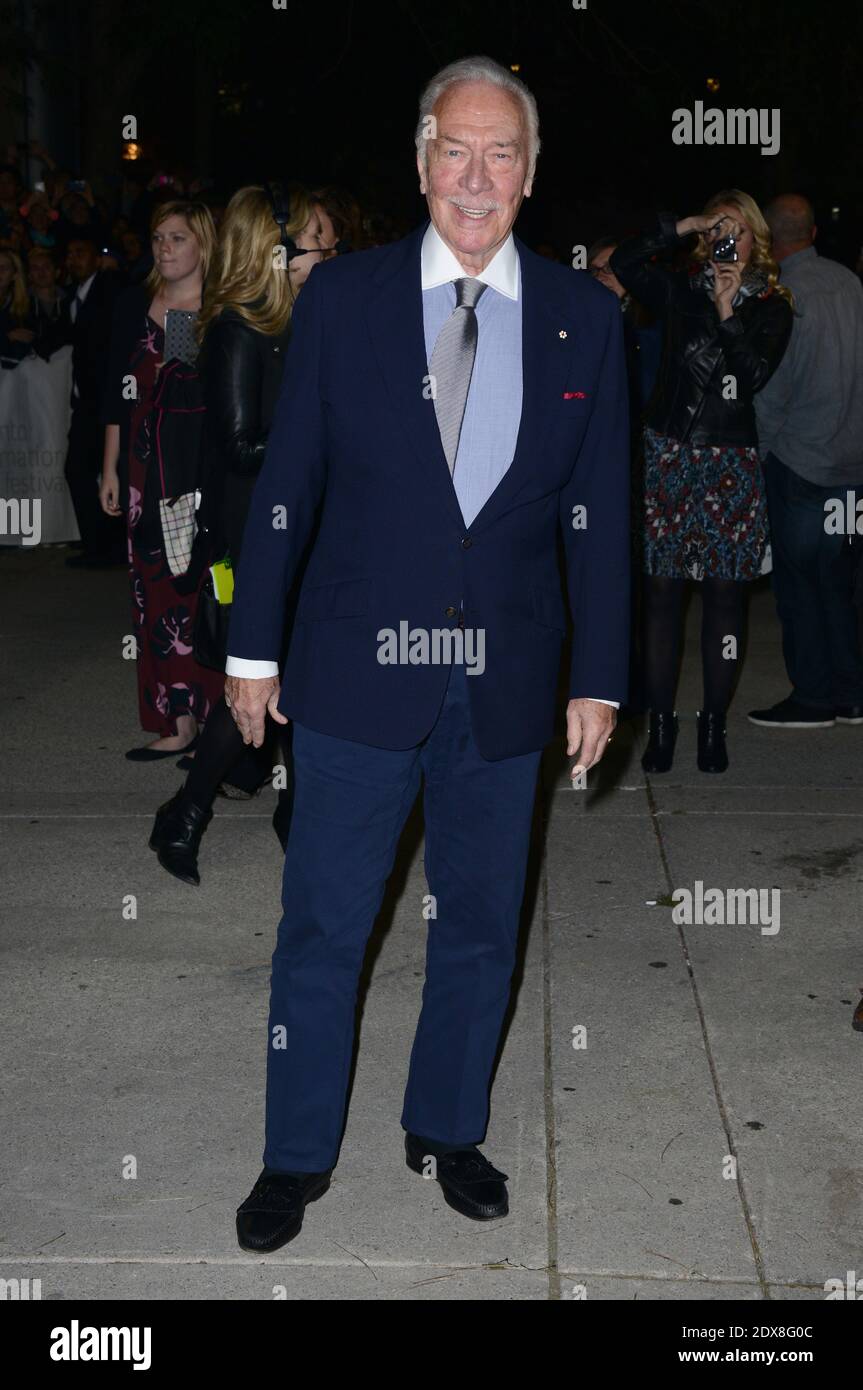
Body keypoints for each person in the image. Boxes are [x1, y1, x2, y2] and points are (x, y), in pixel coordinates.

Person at [225, 54, 630, 1252]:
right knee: (322, 925)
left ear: (529, 172)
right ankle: (294, 1154)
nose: (474, 174)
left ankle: (446, 1126)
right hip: (354, 672)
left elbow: (600, 513)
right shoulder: (342, 300)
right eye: (453, 148)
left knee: (480, 924)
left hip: (505, 683)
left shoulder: (585, 316)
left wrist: (597, 674)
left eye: (498, 152)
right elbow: (285, 483)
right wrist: (252, 649)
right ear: (418, 162)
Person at [148, 183, 327, 884]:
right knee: (254, 678)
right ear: (276, 251)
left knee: (300, 674)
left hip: (302, 526)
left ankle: (290, 812)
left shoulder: (299, 322)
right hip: (246, 533)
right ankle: (187, 809)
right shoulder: (225, 329)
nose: (329, 255)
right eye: (318, 243)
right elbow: (231, 442)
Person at [610, 191, 793, 773]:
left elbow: (752, 375)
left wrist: (727, 308)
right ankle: (660, 725)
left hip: (728, 463)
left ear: (756, 240)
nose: (726, 240)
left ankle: (711, 725)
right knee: (660, 601)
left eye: (737, 230)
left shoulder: (772, 304)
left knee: (724, 604)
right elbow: (625, 264)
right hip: (667, 454)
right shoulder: (679, 289)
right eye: (717, 229)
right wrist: (679, 223)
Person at [100, 201, 224, 759]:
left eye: (177, 238)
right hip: (142, 474)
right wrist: (110, 466)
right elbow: (113, 391)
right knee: (152, 590)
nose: (164, 248)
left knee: (202, 588)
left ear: (202, 242)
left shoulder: (221, 308)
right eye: (157, 238)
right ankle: (175, 719)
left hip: (200, 470)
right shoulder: (133, 304)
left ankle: (216, 722)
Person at [748, 194, 863, 729]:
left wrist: (762, 452)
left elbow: (774, 388)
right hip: (851, 460)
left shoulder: (784, 296)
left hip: (799, 458)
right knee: (839, 583)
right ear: (814, 232)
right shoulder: (850, 284)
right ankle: (852, 690)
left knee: (799, 588)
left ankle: (815, 696)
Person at [61, 234, 126, 566]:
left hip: (103, 401)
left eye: (80, 251)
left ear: (98, 258)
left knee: (99, 470)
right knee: (84, 471)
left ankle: (107, 547)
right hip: (87, 402)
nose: (73, 258)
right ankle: (100, 544)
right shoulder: (75, 295)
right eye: (69, 253)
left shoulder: (109, 289)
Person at [0, 249, 35, 369]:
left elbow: (21, 348)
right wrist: (8, 337)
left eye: (4, 268)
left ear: (15, 275)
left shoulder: (21, 307)